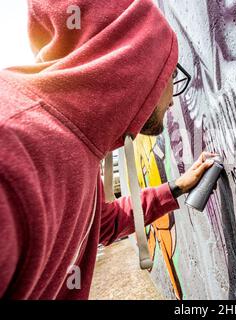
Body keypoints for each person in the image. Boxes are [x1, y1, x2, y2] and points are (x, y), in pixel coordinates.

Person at [0, 0, 215, 299]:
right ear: (136, 66)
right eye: (169, 71)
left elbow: (105, 224)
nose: (172, 99)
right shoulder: (12, 147)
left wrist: (177, 187)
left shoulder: (76, 145)